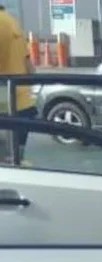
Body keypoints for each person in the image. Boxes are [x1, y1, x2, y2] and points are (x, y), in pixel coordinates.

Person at [0, 2, 36, 165]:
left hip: (3, 107)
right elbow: (30, 69)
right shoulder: (13, 22)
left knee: (5, 162)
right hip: (23, 104)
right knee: (16, 159)